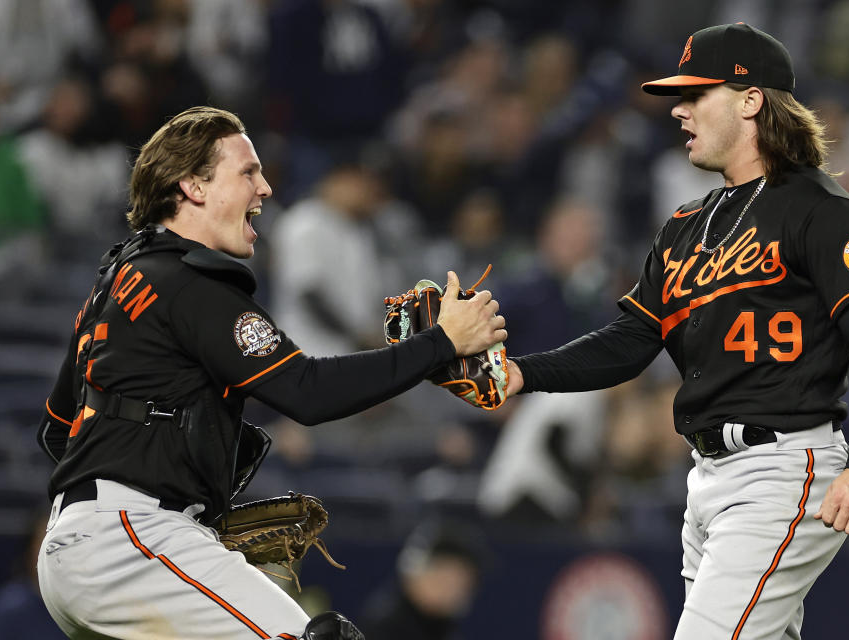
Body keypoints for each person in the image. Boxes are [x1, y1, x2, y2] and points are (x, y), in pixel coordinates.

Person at [34, 106, 507, 640]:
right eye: (247, 172)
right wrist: (441, 343)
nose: (265, 189)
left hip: (74, 549)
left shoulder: (115, 283)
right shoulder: (191, 283)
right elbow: (306, 392)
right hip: (131, 539)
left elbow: (58, 426)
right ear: (193, 185)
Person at [504, 23, 849, 639]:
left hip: (783, 467)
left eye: (697, 95)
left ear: (751, 101)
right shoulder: (688, 224)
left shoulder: (824, 212)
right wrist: (521, 372)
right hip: (709, 479)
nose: (681, 110)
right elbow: (629, 342)